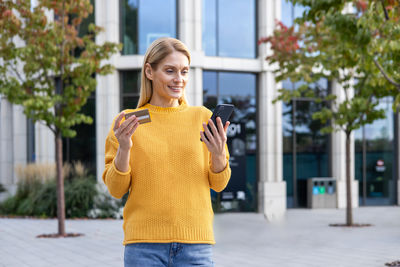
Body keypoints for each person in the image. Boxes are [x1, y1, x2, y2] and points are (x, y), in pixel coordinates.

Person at [102, 37, 231, 267]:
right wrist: (124, 148)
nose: (179, 79)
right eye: (170, 71)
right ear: (149, 72)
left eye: (184, 71)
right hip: (144, 247)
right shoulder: (129, 121)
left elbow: (219, 184)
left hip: (196, 246)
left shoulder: (202, 118)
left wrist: (219, 154)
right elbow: (116, 189)